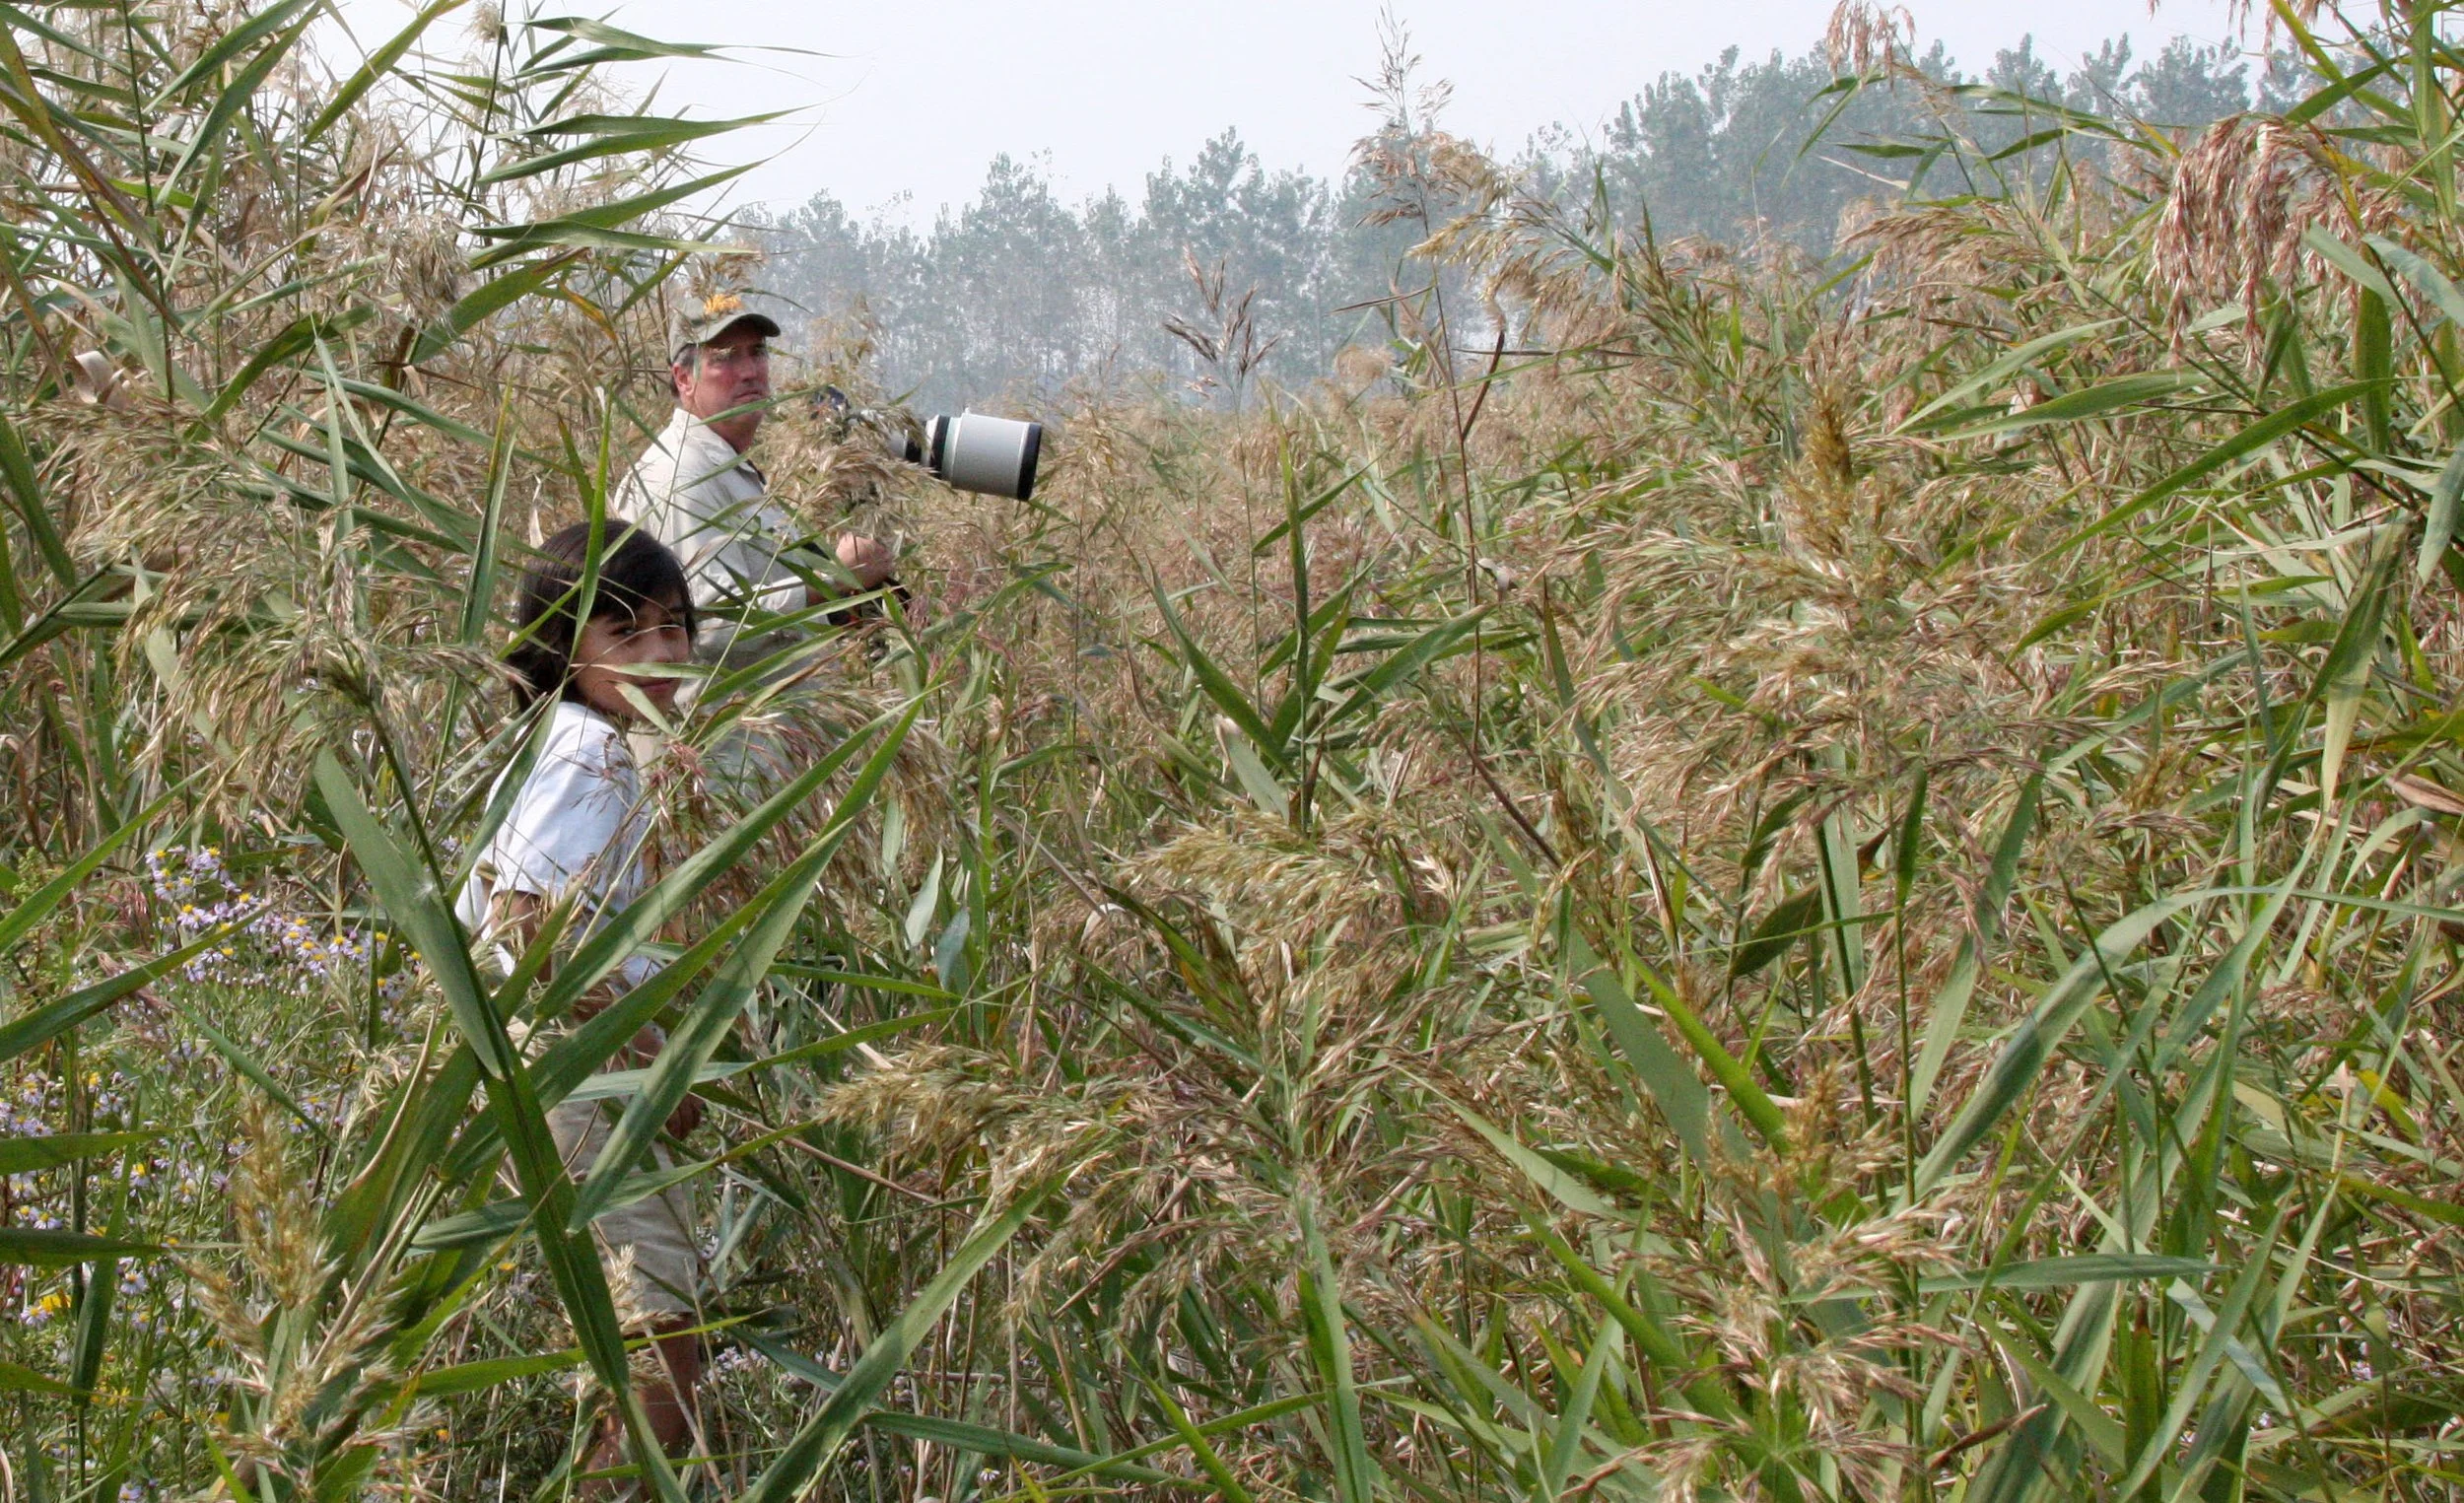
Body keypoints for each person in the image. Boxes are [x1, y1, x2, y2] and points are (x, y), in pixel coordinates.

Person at [453, 519, 707, 1493]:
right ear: (565, 644)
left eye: (673, 628)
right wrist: (646, 1054)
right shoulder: (590, 754)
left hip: (568, 1056)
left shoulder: (575, 738)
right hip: (580, 1060)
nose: (658, 654)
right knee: (662, 1335)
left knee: (641, 1326)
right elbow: (525, 915)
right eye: (624, 632)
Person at [620, 293, 896, 679]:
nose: (750, 371)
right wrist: (833, 579)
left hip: (770, 730)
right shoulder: (681, 476)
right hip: (722, 733)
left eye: (757, 353)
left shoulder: (729, 469)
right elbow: (709, 628)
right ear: (683, 378)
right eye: (726, 357)